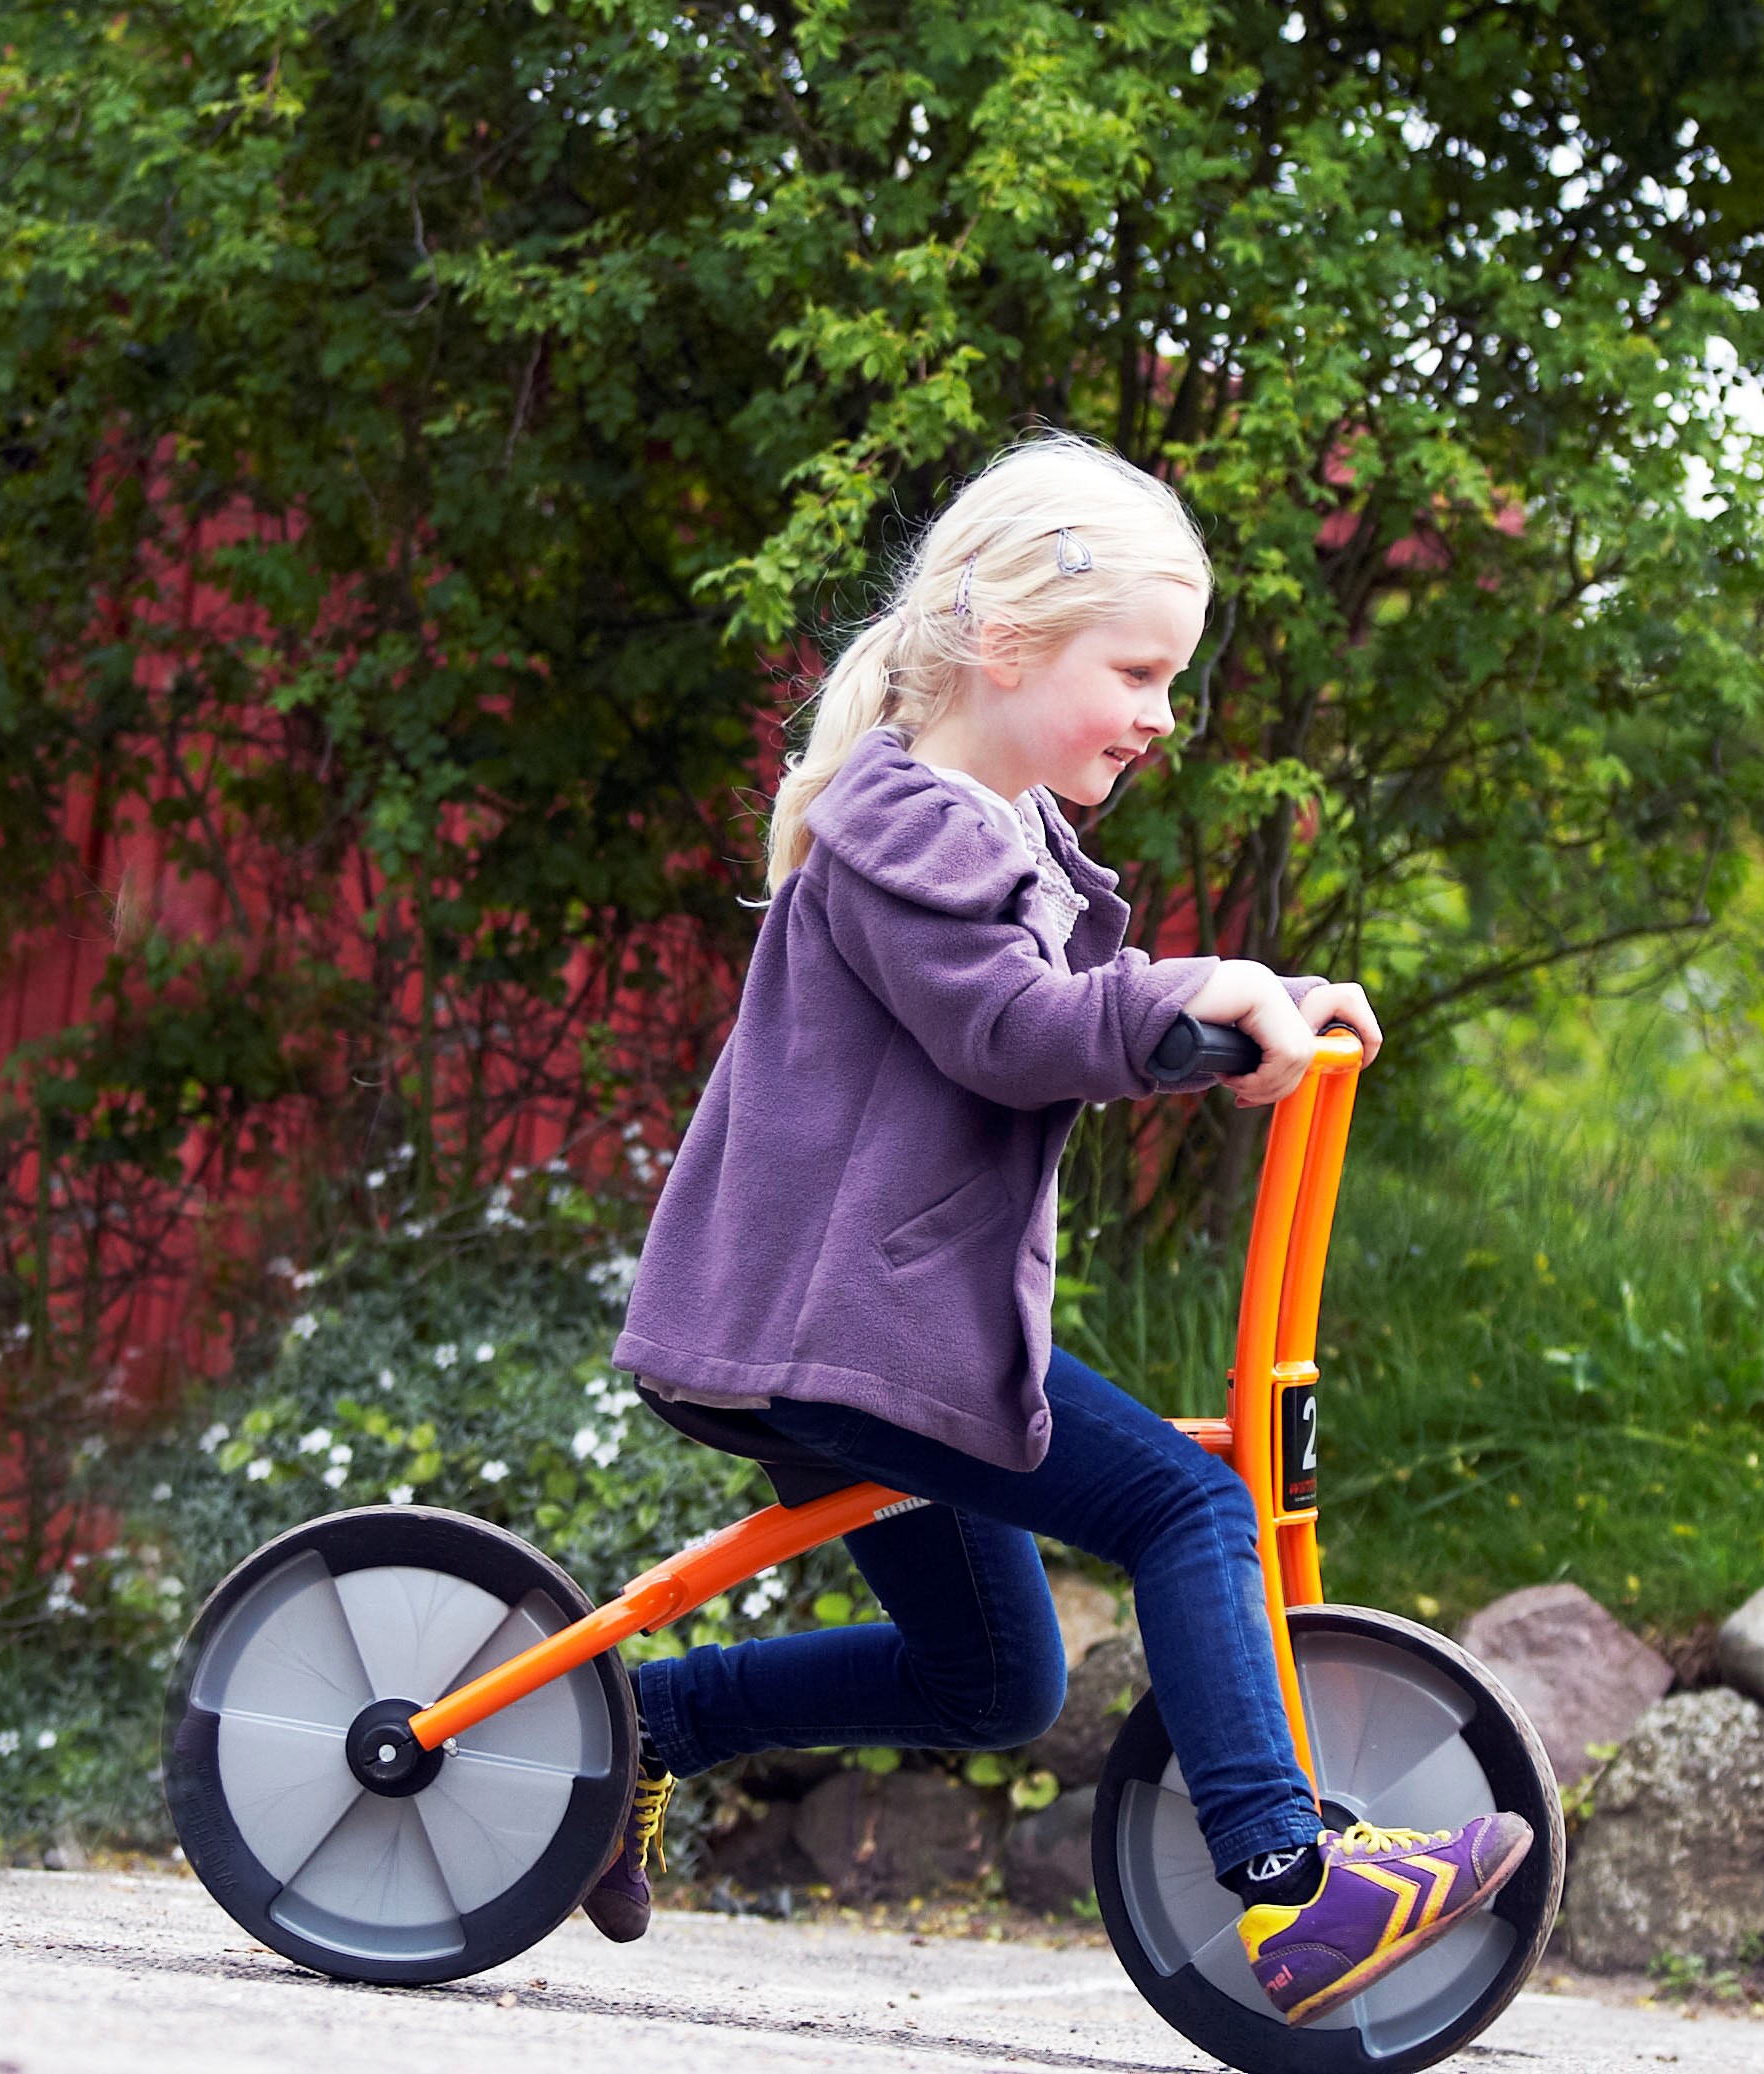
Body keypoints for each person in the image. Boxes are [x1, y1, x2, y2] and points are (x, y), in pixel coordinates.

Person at [584, 431, 1531, 2025]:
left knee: (993, 1677)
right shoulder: (906, 827)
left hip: (884, 1327)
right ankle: (1289, 1886)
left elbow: (1081, 1004)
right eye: (1139, 671)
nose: (1162, 713)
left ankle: (642, 1722)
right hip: (839, 1332)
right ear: (1008, 643)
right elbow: (1019, 1029)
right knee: (1188, 1502)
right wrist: (1202, 995)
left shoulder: (996, 827)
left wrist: (1264, 1004)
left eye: (1172, 678)